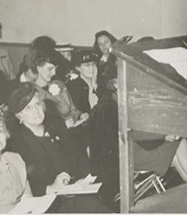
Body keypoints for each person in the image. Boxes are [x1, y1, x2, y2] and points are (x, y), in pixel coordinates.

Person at [7, 83, 110, 213]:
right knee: (87, 205)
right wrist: (51, 187)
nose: (36, 111)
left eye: (37, 104)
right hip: (50, 201)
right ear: (19, 116)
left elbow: (77, 156)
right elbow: (27, 185)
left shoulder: (56, 126)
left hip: (75, 190)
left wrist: (83, 179)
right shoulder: (18, 144)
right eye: (28, 108)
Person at [67, 50, 99, 114]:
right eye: (87, 65)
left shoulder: (101, 83)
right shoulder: (74, 86)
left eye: (93, 64)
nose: (91, 68)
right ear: (78, 68)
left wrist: (95, 85)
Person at [93, 30, 118, 99]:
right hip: (102, 95)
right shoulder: (97, 61)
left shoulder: (119, 59)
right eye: (100, 44)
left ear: (112, 42)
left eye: (106, 42)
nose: (104, 46)